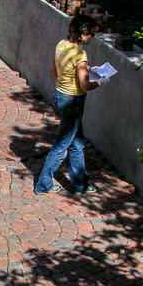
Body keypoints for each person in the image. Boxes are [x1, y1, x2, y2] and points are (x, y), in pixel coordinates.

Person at [34, 15, 107, 195]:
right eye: (92, 35)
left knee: (77, 143)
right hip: (73, 101)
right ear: (83, 34)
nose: (92, 38)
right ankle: (43, 183)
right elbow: (84, 85)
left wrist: (89, 70)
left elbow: (55, 71)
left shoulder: (61, 45)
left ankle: (80, 184)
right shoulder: (80, 54)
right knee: (62, 146)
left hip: (60, 96)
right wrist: (100, 80)